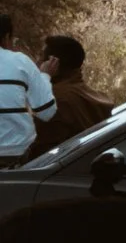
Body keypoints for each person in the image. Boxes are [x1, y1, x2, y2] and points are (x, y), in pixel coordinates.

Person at [31, 35, 111, 157]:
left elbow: (39, 152)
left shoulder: (56, 98)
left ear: (53, 63)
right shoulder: (91, 94)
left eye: (41, 57)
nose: (37, 62)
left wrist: (43, 78)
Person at [0, 13, 55, 169]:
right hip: (16, 155)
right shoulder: (20, 61)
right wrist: (45, 75)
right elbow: (46, 111)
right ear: (7, 37)